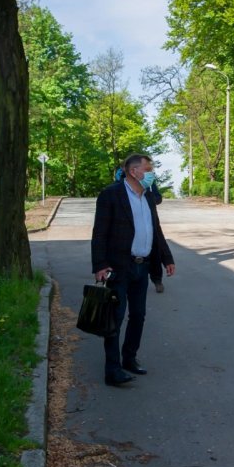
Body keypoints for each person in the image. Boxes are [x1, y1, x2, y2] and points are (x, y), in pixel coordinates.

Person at [92, 154, 175, 386]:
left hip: (143, 265)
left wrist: (166, 258)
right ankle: (112, 369)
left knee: (138, 316)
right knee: (115, 318)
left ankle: (129, 358)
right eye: (147, 169)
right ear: (133, 171)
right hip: (118, 266)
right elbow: (99, 232)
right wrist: (100, 264)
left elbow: (156, 230)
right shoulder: (111, 194)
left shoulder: (148, 196)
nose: (151, 173)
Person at [117, 166, 166, 293]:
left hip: (148, 222)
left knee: (154, 254)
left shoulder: (148, 182)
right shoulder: (119, 182)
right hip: (127, 227)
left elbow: (158, 198)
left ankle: (157, 280)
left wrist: (148, 200)